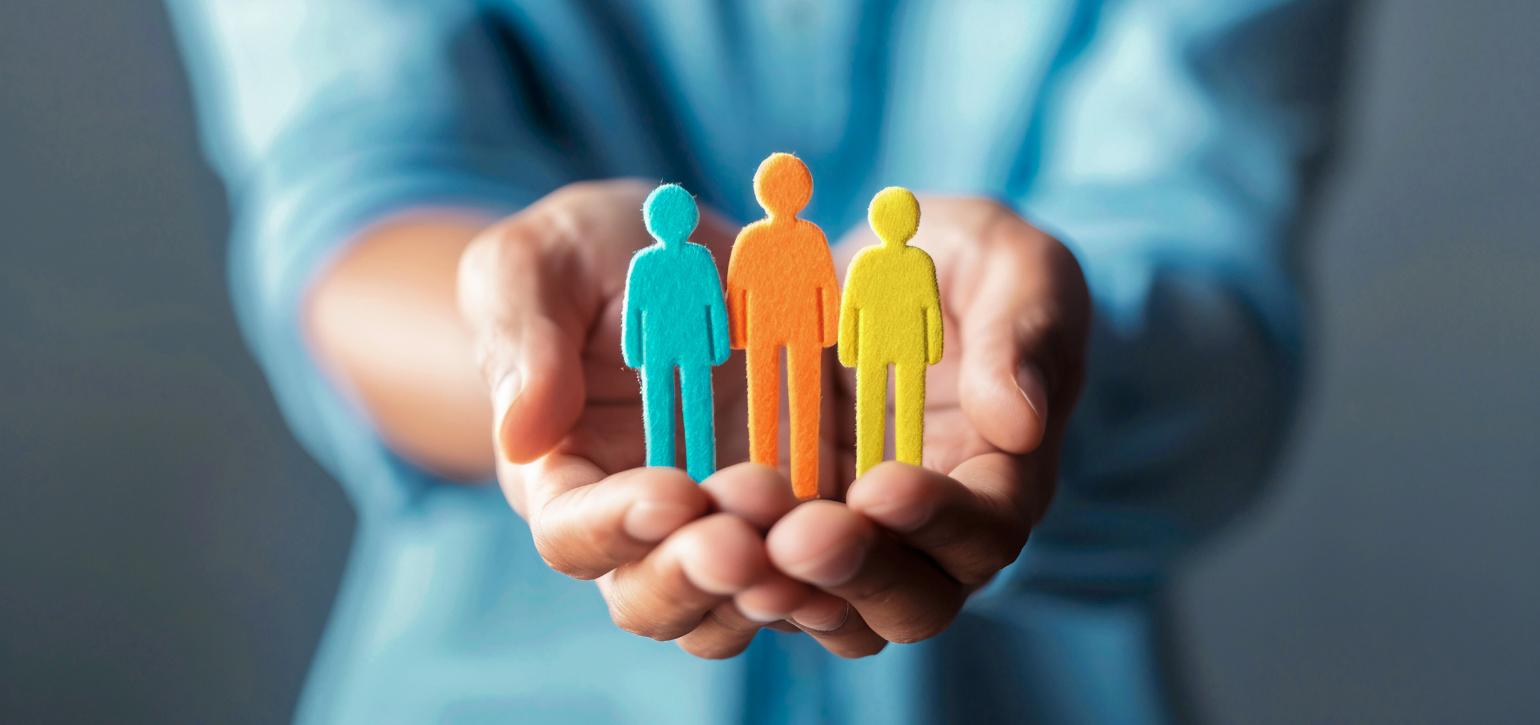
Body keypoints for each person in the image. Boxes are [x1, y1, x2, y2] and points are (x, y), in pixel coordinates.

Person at [165, 1, 1350, 723]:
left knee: (841, 419)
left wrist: (1039, 362)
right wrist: (539, 362)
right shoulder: (712, 264)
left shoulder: (829, 265)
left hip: (940, 482)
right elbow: (351, 185)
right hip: (499, 665)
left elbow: (1205, 253)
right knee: (704, 417)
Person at [726, 153, 841, 500]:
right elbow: (739, 291)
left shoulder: (758, 239)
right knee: (792, 404)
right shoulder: (806, 237)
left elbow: (825, 287)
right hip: (790, 328)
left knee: (780, 403)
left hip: (778, 329)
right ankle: (784, 481)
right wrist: (829, 332)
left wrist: (739, 335)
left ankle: (794, 482)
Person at [622, 184, 731, 483]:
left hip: (666, 345)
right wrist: (719, 344)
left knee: (682, 406)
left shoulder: (681, 260)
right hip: (677, 345)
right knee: (674, 407)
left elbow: (714, 302)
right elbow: (634, 309)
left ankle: (694, 471)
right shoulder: (684, 260)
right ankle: (667, 471)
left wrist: (633, 349)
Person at [839, 187, 943, 477]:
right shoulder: (916, 261)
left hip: (881, 344)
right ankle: (892, 468)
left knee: (882, 407)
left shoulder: (869, 261)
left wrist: (848, 348)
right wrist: (933, 348)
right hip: (905, 345)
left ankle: (886, 469)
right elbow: (931, 309)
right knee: (899, 406)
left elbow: (850, 308)